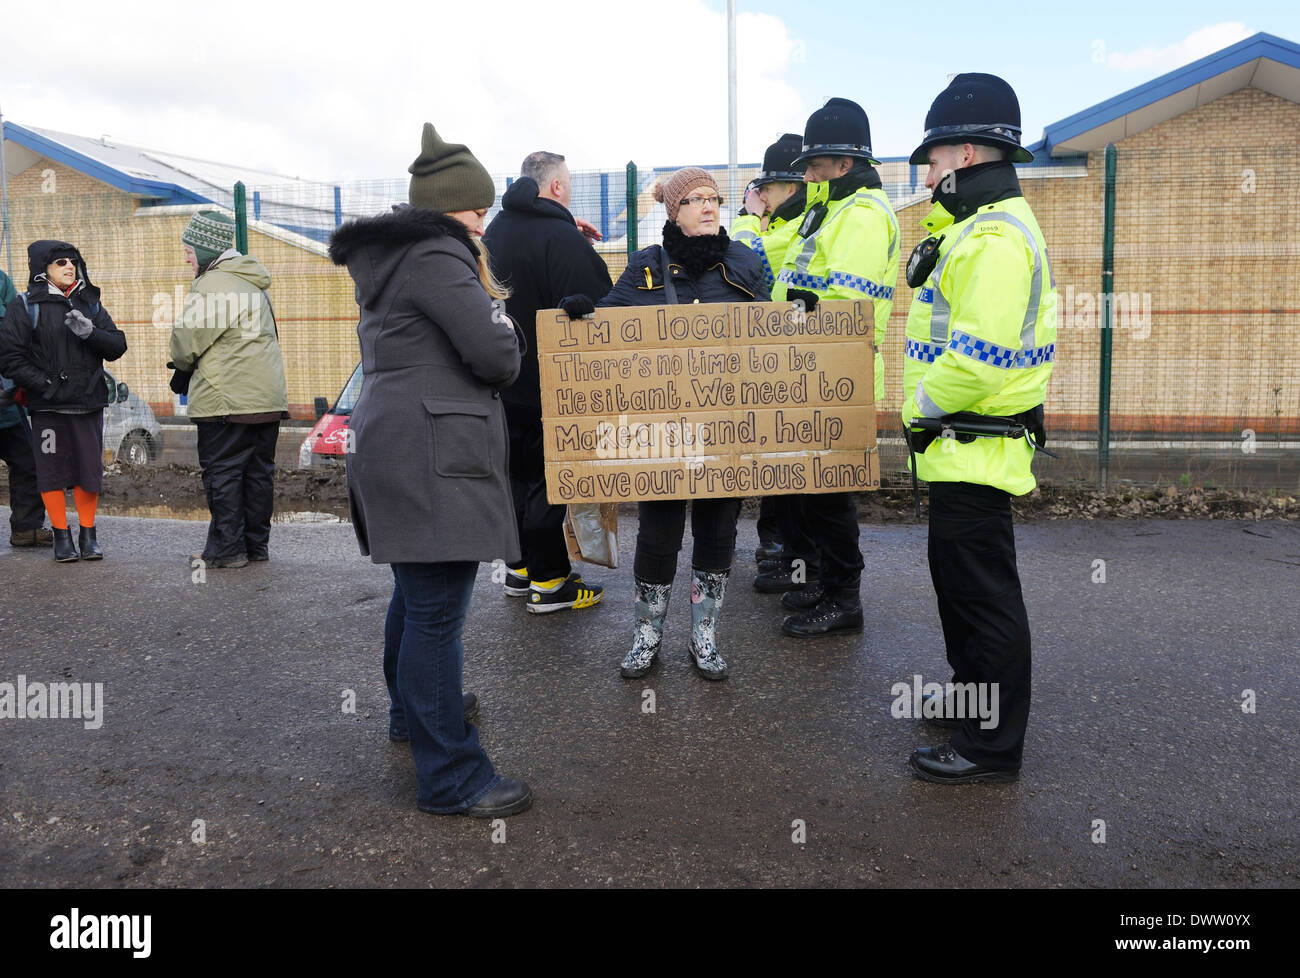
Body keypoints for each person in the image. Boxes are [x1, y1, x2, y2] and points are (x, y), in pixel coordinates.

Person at [328, 122, 532, 818]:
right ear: (454, 210)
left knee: (418, 601)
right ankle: (452, 777)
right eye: (479, 211)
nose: (485, 222)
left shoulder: (395, 257)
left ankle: (411, 716)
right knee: (438, 613)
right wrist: (507, 325)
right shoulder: (439, 255)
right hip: (429, 451)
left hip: (396, 440)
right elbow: (495, 356)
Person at [901, 74, 1057, 784]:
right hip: (962, 450)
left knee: (983, 601)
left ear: (964, 155)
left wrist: (919, 410)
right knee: (962, 593)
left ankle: (990, 746)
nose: (926, 177)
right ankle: (971, 703)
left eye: (931, 162)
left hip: (972, 444)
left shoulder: (995, 238)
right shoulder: (977, 229)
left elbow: (979, 360)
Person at [561, 166, 769, 681]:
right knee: (659, 533)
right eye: (694, 199)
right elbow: (609, 323)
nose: (707, 207)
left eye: (714, 198)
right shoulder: (646, 265)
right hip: (663, 432)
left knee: (718, 533)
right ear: (674, 209)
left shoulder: (743, 263)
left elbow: (772, 337)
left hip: (725, 430)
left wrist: (800, 316)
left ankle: (704, 637)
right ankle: (647, 635)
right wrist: (584, 314)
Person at [771, 98, 900, 638]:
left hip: (834, 376)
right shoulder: (831, 210)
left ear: (844, 163)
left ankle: (845, 598)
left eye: (815, 163)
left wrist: (793, 313)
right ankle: (824, 584)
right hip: (809, 372)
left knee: (828, 497)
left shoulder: (864, 215)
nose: (806, 173)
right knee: (809, 492)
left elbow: (847, 308)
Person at [482, 151, 611, 613]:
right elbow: (600, 304)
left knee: (514, 477)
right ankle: (551, 583)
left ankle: (519, 571)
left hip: (500, 381)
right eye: (569, 182)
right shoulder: (560, 236)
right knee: (547, 482)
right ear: (556, 187)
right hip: (550, 385)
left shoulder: (494, 231)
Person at [169, 211, 289, 569]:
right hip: (266, 399)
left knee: (223, 474)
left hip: (227, 400)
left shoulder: (213, 284)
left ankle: (227, 550)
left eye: (189, 250)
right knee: (257, 475)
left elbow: (185, 344)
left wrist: (181, 366)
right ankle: (255, 547)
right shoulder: (252, 283)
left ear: (206, 250)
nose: (186, 257)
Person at [0, 241, 127, 562]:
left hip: (88, 405)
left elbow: (116, 345)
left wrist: (91, 334)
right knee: (51, 472)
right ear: (43, 269)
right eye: (60, 263)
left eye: (73, 261)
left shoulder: (90, 303)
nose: (69, 267)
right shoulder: (25, 305)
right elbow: (10, 358)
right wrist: (45, 385)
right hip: (47, 409)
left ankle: (88, 535)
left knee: (89, 472)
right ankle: (61, 536)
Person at [733, 133, 812, 583]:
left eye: (769, 188)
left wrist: (747, 216)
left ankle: (788, 560)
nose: (763, 195)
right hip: (780, 369)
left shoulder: (791, 231)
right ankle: (778, 550)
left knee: (793, 479)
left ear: (793, 186)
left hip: (796, 371)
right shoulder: (784, 226)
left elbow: (746, 257)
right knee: (779, 471)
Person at [1, 269, 52, 549]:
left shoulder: (1, 281)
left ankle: (26, 528)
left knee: (28, 462)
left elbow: (15, 334)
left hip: (6, 402)